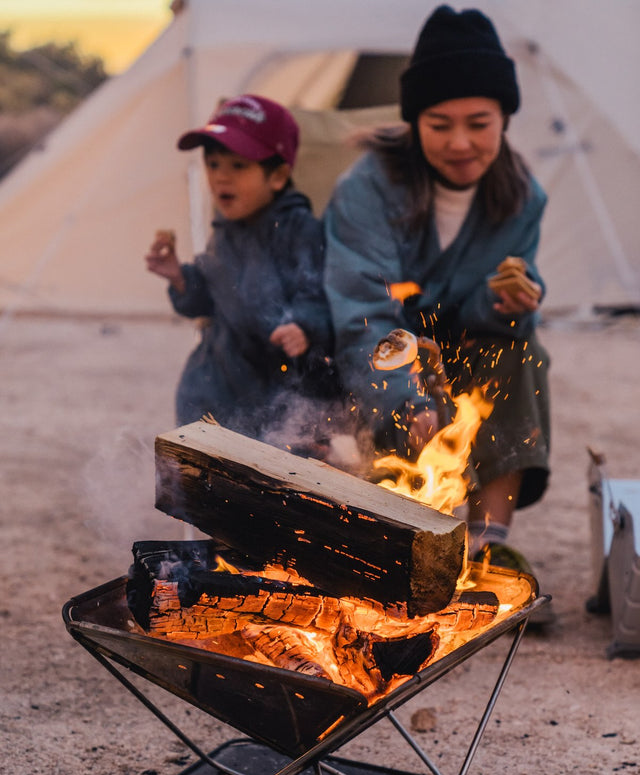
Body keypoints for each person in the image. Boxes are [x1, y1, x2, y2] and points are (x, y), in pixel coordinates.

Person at [323, 5, 551, 572]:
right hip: (379, 351)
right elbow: (362, 309)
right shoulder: (368, 187)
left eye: (479, 123)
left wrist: (506, 303)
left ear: (504, 119)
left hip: (464, 348)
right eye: (439, 123)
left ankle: (486, 544)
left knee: (521, 354)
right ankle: (414, 535)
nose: (460, 142)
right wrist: (406, 395)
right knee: (402, 380)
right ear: (413, 121)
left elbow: (485, 313)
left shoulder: (522, 197)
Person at [145, 94, 338, 452]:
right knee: (205, 476)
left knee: (279, 483)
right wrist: (181, 278)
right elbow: (213, 294)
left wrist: (305, 326)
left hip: (278, 382)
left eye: (238, 166)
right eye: (213, 164)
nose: (221, 178)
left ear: (278, 175)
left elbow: (321, 291)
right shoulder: (225, 229)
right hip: (216, 380)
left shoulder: (300, 229)